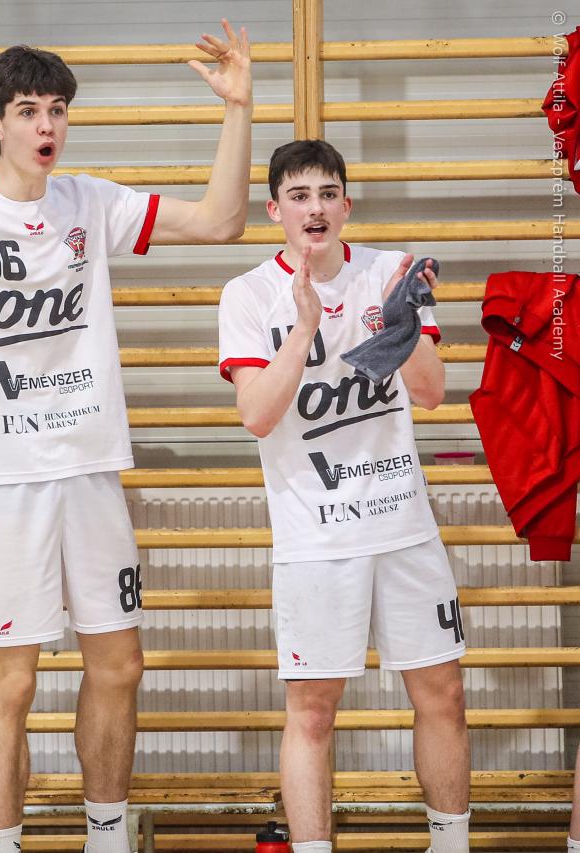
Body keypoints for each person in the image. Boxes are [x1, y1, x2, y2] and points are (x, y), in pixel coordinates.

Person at [0, 22, 252, 853]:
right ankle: (4, 845)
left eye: (58, 110)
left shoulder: (89, 202)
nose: (47, 125)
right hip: (3, 480)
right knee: (12, 680)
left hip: (90, 468)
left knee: (120, 665)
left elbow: (220, 222)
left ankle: (106, 836)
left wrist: (238, 110)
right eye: (30, 111)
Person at [217, 139, 470, 853]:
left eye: (328, 193)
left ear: (346, 205)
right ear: (275, 210)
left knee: (444, 694)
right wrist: (304, 327)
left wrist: (401, 323)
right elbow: (257, 415)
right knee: (313, 712)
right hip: (316, 538)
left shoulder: (388, 272)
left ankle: (452, 844)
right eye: (299, 195)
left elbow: (431, 391)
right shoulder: (248, 295)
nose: (315, 208)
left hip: (403, 526)